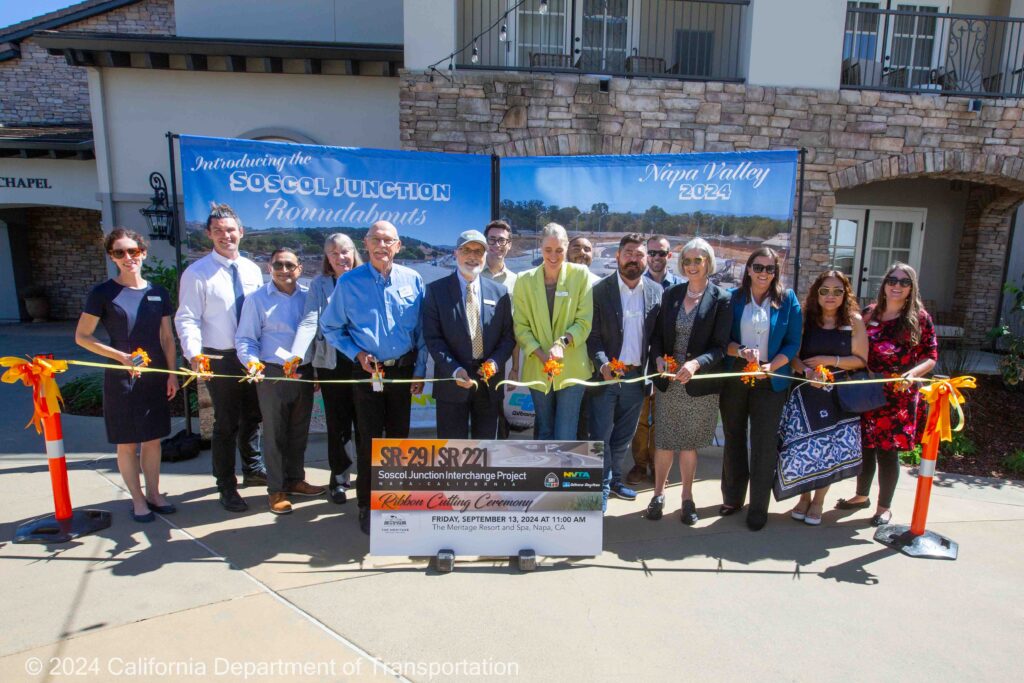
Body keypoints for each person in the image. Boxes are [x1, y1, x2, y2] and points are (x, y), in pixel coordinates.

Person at [320, 220, 427, 535]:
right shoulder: (349, 283)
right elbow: (330, 327)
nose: (382, 246)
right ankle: (367, 505)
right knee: (369, 440)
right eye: (376, 240)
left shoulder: (414, 279)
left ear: (398, 245)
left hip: (404, 371)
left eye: (388, 240)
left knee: (398, 439)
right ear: (365, 244)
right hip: (368, 371)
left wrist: (419, 371)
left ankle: (393, 500)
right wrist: (356, 353)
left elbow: (421, 332)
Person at [75, 229, 179, 522]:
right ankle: (138, 500)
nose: (128, 257)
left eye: (133, 251)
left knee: (153, 439)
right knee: (127, 442)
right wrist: (120, 357)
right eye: (119, 252)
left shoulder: (158, 292)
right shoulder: (103, 294)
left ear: (143, 252)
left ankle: (155, 493)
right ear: (112, 257)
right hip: (122, 376)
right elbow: (82, 337)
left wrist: (171, 374)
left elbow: (167, 337)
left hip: (155, 373)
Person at [175, 203, 266, 513]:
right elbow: (186, 318)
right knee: (226, 423)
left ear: (241, 232)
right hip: (219, 356)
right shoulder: (197, 273)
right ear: (209, 235)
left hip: (252, 355)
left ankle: (253, 470)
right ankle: (226, 484)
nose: (225, 236)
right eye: (218, 231)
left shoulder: (253, 269)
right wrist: (194, 354)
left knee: (253, 416)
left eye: (230, 230)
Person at [836, 263, 937, 526]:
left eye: (904, 282)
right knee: (865, 447)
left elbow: (931, 356)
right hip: (867, 390)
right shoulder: (869, 313)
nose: (897, 285)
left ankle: (883, 507)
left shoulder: (920, 318)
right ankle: (861, 496)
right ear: (884, 283)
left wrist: (913, 373)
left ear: (911, 288)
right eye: (892, 280)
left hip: (897, 396)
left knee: (887, 452)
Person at [646, 239, 732, 524]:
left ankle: (686, 497)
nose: (692, 265)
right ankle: (658, 495)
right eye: (687, 261)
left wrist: (696, 364)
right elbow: (657, 336)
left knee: (688, 444)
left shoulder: (721, 298)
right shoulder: (671, 294)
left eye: (698, 260)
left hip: (698, 384)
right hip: (670, 382)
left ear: (708, 262)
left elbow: (720, 346)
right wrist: (658, 359)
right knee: (665, 440)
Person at [719, 247, 802, 531]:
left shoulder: (787, 300)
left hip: (771, 378)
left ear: (776, 272)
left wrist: (774, 366)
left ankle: (758, 507)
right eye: (758, 267)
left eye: (770, 268)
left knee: (764, 444)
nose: (764, 273)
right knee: (734, 436)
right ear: (749, 269)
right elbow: (723, 341)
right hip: (737, 376)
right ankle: (732, 497)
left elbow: (793, 343)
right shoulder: (733, 299)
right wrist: (741, 351)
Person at [236, 248, 324, 515]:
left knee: (299, 431)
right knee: (275, 434)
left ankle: (295, 479)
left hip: (304, 373)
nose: (284, 270)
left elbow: (318, 336)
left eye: (289, 265)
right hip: (272, 374)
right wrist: (251, 363)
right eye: (278, 265)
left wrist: (317, 371)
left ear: (299, 269)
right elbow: (245, 339)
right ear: (268, 267)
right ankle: (276, 489)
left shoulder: (310, 296)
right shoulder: (256, 300)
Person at [780, 270, 867, 525]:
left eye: (837, 291)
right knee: (805, 448)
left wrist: (831, 361)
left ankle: (818, 501)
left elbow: (861, 360)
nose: (831, 296)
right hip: (806, 392)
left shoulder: (854, 321)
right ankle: (803, 498)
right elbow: (792, 354)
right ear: (816, 293)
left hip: (839, 395)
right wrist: (807, 370)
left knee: (829, 450)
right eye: (825, 290)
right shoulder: (805, 319)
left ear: (845, 294)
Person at [587, 234, 661, 506]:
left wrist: (654, 371)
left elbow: (657, 338)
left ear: (646, 259)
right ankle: (601, 487)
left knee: (624, 436)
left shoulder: (656, 292)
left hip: (636, 378)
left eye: (640, 254)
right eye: (628, 252)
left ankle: (615, 479)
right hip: (607, 377)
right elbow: (592, 336)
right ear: (617, 256)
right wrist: (602, 363)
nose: (634, 258)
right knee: (601, 435)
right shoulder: (600, 290)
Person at [290, 233, 361, 505]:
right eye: (333, 253)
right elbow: (310, 320)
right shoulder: (320, 284)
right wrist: (297, 355)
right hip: (333, 365)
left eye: (345, 251)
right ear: (327, 258)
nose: (340, 257)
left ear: (354, 252)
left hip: (366, 365)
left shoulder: (367, 278)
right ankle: (340, 478)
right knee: (338, 425)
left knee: (367, 425)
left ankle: (369, 477)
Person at [423, 230, 515, 438]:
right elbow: (433, 339)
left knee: (487, 450)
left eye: (479, 251)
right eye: (467, 250)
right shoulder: (436, 291)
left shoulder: (499, 293)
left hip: (489, 383)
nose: (473, 256)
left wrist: (495, 363)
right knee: (453, 452)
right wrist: (454, 370)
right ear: (456, 253)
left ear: (485, 255)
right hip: (452, 383)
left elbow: (508, 337)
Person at [513, 223, 593, 440]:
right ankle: (545, 474)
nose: (554, 256)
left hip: (573, 368)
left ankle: (563, 473)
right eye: (548, 250)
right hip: (538, 368)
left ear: (567, 248)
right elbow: (520, 326)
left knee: (565, 433)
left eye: (559, 250)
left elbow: (584, 321)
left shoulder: (581, 274)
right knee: (544, 430)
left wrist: (561, 344)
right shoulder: (524, 280)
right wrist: (540, 354)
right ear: (541, 248)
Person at [629, 234, 684, 485]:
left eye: (661, 253)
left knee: (664, 418)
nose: (656, 258)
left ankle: (657, 464)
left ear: (669, 256)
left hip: (669, 362)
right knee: (640, 418)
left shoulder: (680, 287)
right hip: (642, 360)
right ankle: (640, 465)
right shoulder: (636, 283)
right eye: (651, 253)